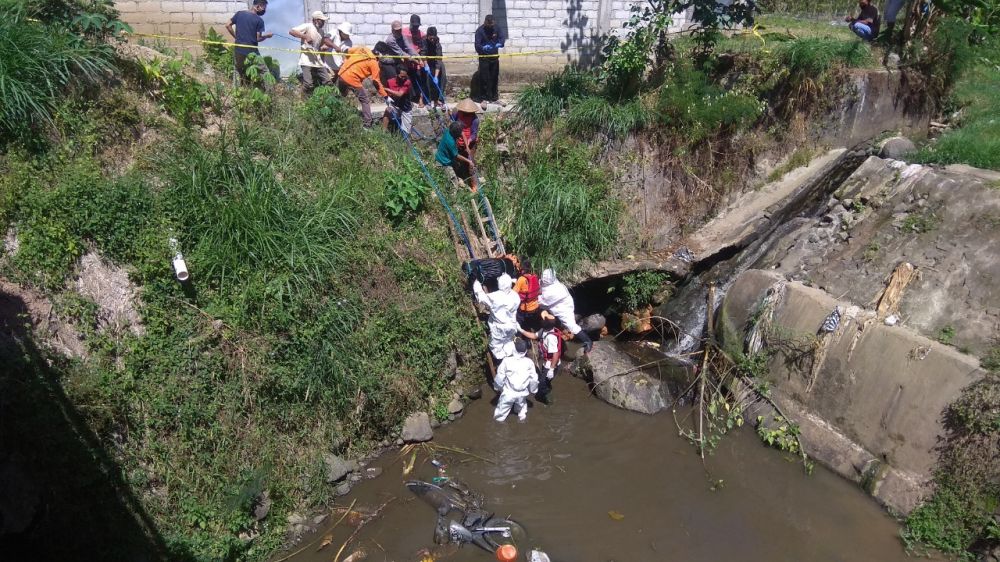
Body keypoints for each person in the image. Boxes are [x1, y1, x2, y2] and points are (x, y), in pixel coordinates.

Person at [538, 269, 593, 353]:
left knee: (572, 326)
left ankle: (588, 341)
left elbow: (540, 302)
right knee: (545, 312)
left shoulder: (554, 291)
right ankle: (547, 327)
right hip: (554, 304)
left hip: (564, 308)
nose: (542, 280)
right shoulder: (551, 280)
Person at [337, 46, 388, 128]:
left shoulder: (362, 48)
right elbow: (376, 81)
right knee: (365, 100)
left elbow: (346, 51)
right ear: (379, 54)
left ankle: (338, 115)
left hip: (341, 74)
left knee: (342, 96)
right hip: (352, 79)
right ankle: (367, 124)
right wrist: (385, 96)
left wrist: (346, 62)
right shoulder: (373, 62)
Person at [473, 273, 521, 360]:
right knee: (508, 341)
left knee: (496, 345)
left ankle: (501, 360)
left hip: (499, 327)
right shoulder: (515, 296)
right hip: (512, 325)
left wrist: (476, 283)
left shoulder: (495, 297)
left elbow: (481, 297)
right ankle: (510, 355)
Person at [225, 0, 273, 84]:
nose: (264, 11)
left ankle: (236, 92)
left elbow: (227, 25)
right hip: (252, 50)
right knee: (264, 72)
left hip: (239, 48)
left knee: (237, 69)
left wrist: (236, 37)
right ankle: (270, 93)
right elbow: (257, 38)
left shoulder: (239, 14)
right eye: (264, 8)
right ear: (258, 6)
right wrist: (267, 36)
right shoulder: (259, 20)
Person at [520, 310, 562, 404]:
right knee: (544, 381)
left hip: (551, 364)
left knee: (542, 385)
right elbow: (534, 336)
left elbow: (555, 354)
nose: (541, 320)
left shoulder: (551, 338)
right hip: (546, 363)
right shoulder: (544, 330)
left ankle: (548, 400)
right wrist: (521, 330)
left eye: (542, 320)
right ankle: (546, 388)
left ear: (545, 323)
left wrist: (551, 369)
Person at [492, 339, 539, 422]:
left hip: (509, 393)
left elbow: (500, 377)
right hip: (522, 393)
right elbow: (534, 379)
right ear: (525, 351)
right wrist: (533, 390)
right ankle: (522, 420)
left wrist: (498, 388)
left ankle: (499, 425)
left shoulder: (507, 361)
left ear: (514, 349)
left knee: (500, 415)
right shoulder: (529, 362)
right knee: (521, 410)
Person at [290, 11, 332, 94]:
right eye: (321, 20)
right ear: (316, 20)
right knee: (308, 84)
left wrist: (323, 47)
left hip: (317, 60)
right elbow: (291, 31)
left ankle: (326, 99)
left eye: (324, 21)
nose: (323, 22)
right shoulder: (308, 26)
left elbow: (319, 46)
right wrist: (305, 36)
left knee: (328, 81)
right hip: (306, 59)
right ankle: (301, 99)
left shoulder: (321, 32)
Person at [436, 122, 479, 191]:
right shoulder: (450, 142)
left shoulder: (449, 130)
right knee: (454, 183)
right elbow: (456, 156)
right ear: (456, 134)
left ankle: (463, 181)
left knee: (459, 169)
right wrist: (469, 161)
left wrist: (467, 147)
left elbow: (462, 133)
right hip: (443, 162)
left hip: (448, 157)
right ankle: (453, 198)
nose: (461, 133)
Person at [474, 15, 505, 105]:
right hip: (484, 58)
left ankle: (494, 98)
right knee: (484, 78)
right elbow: (477, 45)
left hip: (494, 57)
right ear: (485, 22)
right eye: (489, 25)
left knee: (494, 77)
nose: (491, 27)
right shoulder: (480, 31)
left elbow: (502, 37)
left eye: (492, 25)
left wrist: (500, 43)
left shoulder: (496, 28)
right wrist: (482, 48)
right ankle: (484, 99)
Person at [402, 14, 426, 106]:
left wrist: (419, 55)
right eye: (414, 25)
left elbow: (424, 49)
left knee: (420, 80)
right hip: (406, 61)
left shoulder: (422, 35)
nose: (416, 28)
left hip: (418, 62)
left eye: (417, 26)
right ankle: (409, 99)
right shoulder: (404, 32)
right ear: (410, 24)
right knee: (407, 81)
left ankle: (420, 99)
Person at [421, 27, 446, 108]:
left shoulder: (438, 44)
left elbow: (438, 60)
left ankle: (440, 99)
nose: (432, 40)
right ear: (427, 36)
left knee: (443, 76)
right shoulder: (424, 41)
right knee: (427, 77)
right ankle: (428, 100)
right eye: (430, 38)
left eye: (433, 38)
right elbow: (423, 53)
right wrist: (426, 65)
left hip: (435, 61)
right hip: (426, 62)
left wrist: (436, 76)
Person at [383, 68, 413, 136]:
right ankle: (383, 134)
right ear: (396, 75)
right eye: (402, 76)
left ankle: (405, 143)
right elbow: (386, 94)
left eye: (405, 76)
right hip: (395, 106)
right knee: (387, 110)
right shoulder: (389, 82)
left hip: (406, 109)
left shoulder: (407, 82)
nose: (403, 78)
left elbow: (399, 94)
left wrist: (386, 89)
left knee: (406, 132)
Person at [514, 257, 541, 329]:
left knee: (519, 325)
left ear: (522, 268)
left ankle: (519, 335)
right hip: (535, 307)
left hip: (525, 309)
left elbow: (513, 294)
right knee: (530, 325)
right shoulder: (535, 276)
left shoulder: (521, 279)